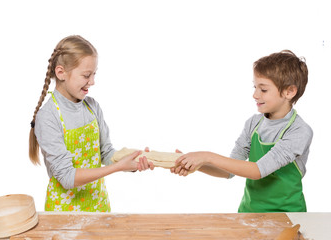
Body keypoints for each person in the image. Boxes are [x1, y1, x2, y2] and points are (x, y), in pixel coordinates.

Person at [171, 50, 312, 213]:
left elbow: (257, 171)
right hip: (249, 213)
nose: (255, 94)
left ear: (289, 92)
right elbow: (229, 171)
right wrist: (196, 164)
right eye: (255, 87)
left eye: (263, 90)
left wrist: (206, 156)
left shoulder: (299, 132)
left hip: (288, 217)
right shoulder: (253, 123)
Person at [29, 35, 154, 212]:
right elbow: (67, 177)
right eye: (86, 75)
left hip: (98, 205)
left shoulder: (92, 106)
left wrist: (131, 160)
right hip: (64, 212)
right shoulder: (48, 117)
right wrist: (117, 167)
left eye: (94, 74)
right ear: (61, 73)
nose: (93, 82)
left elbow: (105, 152)